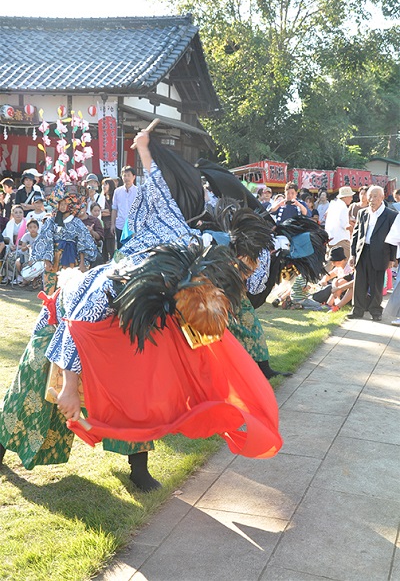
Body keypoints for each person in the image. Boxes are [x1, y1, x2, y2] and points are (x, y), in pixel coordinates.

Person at [0, 131, 282, 492]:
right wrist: (70, 386)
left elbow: (158, 185)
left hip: (135, 323)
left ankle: (138, 467)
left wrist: (146, 149)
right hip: (72, 322)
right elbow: (77, 324)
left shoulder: (187, 239)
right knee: (37, 390)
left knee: (144, 388)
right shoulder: (121, 276)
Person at [31, 184, 98, 294]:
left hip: (72, 257)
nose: (62, 206)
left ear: (71, 205)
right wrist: (47, 260)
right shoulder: (51, 221)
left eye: (65, 204)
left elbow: (83, 242)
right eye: (60, 204)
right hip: (54, 257)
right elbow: (45, 239)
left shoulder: (77, 222)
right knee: (51, 288)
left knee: (70, 288)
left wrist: (82, 263)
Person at [348, 185, 398, 321]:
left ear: (382, 197)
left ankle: (375, 311)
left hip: (381, 253)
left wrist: (392, 258)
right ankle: (357, 310)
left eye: (375, 196)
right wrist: (353, 254)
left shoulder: (391, 215)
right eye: (370, 195)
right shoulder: (362, 213)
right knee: (359, 282)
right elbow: (356, 235)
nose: (372, 199)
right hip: (362, 251)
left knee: (376, 284)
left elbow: (394, 238)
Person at [324, 186, 354, 266]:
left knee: (330, 263)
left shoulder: (333, 204)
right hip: (341, 239)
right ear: (345, 197)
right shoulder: (343, 207)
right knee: (348, 262)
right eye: (350, 196)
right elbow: (345, 225)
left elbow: (326, 216)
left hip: (330, 237)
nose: (352, 198)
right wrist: (354, 231)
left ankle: (322, 278)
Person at [111, 165, 137, 249]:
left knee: (133, 249)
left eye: (129, 175)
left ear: (134, 177)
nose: (126, 178)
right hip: (120, 225)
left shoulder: (138, 191)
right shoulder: (117, 191)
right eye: (124, 175)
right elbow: (114, 209)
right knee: (120, 249)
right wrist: (112, 224)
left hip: (133, 226)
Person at [15, 219, 40, 285]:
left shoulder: (40, 236)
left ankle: (35, 279)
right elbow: (23, 249)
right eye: (30, 227)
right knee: (18, 262)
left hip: (37, 256)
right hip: (26, 255)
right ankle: (25, 277)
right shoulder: (26, 236)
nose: (33, 229)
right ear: (27, 228)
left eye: (34, 227)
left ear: (38, 228)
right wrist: (27, 247)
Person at [100, 178, 116, 262]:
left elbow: (112, 211)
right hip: (102, 226)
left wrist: (103, 211)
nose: (104, 186)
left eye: (106, 184)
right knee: (104, 250)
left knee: (111, 249)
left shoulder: (113, 197)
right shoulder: (101, 197)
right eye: (103, 184)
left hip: (110, 226)